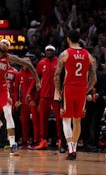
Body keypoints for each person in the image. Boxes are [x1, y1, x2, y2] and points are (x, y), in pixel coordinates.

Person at [0, 39, 41, 156]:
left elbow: (28, 64)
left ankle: (13, 144)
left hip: (2, 89)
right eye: (3, 43)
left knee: (8, 114)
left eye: (7, 44)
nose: (5, 45)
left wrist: (37, 80)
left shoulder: (9, 58)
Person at [54, 30, 97, 160]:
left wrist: (58, 90)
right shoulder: (88, 55)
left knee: (66, 119)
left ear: (68, 39)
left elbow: (57, 75)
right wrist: (87, 89)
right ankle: (75, 148)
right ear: (80, 39)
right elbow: (94, 79)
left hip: (69, 88)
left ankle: (71, 148)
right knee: (77, 119)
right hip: (82, 88)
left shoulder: (65, 54)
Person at [29, 45, 62, 150]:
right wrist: (29, 92)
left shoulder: (59, 62)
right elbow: (36, 79)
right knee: (43, 119)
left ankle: (61, 140)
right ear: (45, 52)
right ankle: (43, 141)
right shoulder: (41, 63)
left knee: (59, 119)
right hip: (44, 95)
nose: (49, 52)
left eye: (51, 50)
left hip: (56, 95)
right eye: (47, 50)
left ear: (54, 51)